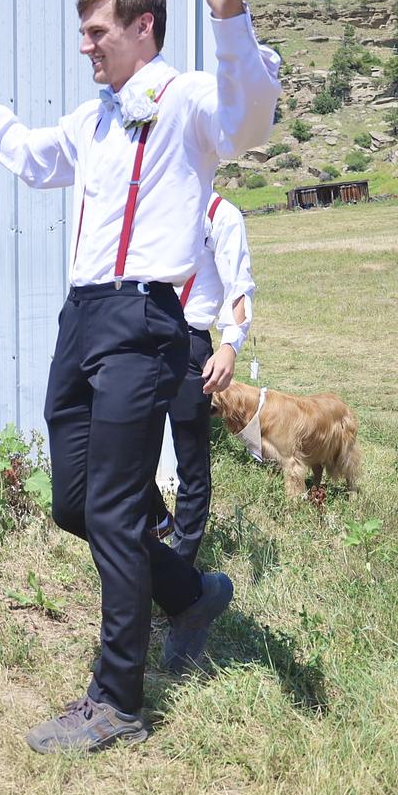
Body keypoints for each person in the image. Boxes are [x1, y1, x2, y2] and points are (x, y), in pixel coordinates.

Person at [0, 0, 280, 752]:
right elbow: (29, 156)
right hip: (81, 318)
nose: (84, 44)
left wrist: (229, 16)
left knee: (118, 510)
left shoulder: (186, 97)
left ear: (141, 26)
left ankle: (118, 700)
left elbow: (249, 121)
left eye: (96, 30)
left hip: (144, 319)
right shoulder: (92, 119)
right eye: (84, 31)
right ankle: (190, 595)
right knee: (76, 504)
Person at [149, 191, 256, 564]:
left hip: (189, 343)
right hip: (142, 338)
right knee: (123, 446)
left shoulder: (220, 214)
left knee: (191, 461)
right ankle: (158, 520)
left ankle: (181, 563)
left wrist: (229, 346)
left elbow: (239, 285)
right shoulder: (154, 202)